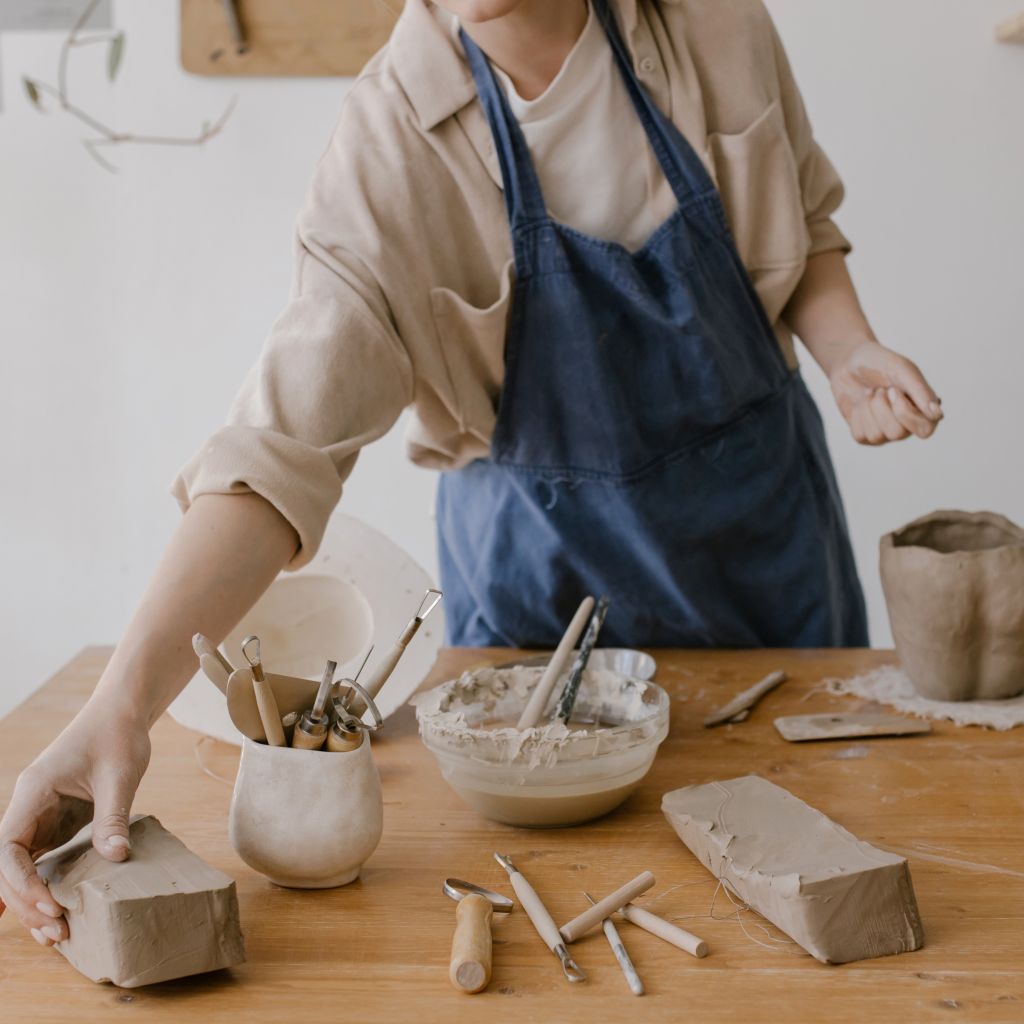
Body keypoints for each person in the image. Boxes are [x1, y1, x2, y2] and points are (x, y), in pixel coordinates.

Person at [0, 0, 941, 944]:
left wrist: (849, 347)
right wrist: (118, 711)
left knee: (827, 866)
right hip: (539, 594)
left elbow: (802, 221)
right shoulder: (388, 143)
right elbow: (278, 450)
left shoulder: (715, 23)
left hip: (762, 555)